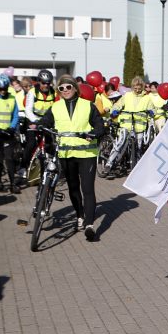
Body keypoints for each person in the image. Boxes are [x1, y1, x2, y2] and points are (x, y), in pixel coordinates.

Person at [37, 75, 105, 241]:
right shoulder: (55, 107)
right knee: (73, 188)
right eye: (61, 88)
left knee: (87, 189)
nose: (65, 91)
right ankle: (80, 215)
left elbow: (100, 126)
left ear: (75, 88)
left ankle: (89, 225)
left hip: (86, 153)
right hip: (66, 154)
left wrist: (93, 134)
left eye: (68, 87)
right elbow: (45, 121)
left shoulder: (88, 105)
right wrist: (39, 125)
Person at [22, 70, 57, 181]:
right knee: (31, 144)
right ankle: (23, 167)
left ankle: (49, 168)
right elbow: (28, 110)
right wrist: (36, 121)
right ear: (39, 82)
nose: (46, 85)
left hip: (46, 121)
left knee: (50, 144)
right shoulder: (32, 92)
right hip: (33, 119)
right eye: (43, 83)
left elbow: (57, 109)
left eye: (48, 83)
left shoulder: (54, 93)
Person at [111, 77, 155, 153]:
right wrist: (115, 110)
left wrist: (151, 112)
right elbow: (118, 105)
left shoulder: (147, 98)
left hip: (140, 127)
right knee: (119, 144)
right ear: (132, 87)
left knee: (139, 146)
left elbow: (152, 108)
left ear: (142, 87)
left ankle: (137, 160)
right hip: (126, 125)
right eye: (135, 88)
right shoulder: (127, 95)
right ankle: (110, 162)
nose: (137, 90)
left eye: (139, 88)